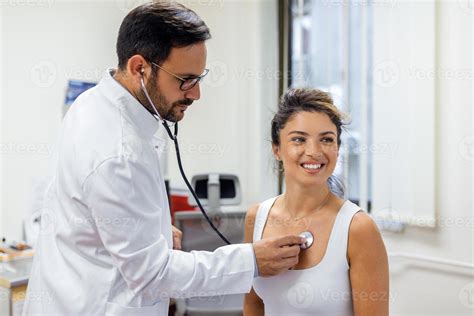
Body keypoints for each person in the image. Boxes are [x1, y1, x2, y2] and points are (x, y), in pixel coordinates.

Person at [23, 3, 305, 315]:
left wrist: (149, 228)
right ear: (139, 68)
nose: (196, 94)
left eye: (199, 78)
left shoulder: (91, 103)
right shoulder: (118, 150)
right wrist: (252, 261)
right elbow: (152, 275)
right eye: (185, 79)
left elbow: (90, 210)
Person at [243, 88, 389, 315]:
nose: (313, 152)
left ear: (338, 149)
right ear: (277, 149)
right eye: (299, 139)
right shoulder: (257, 217)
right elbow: (253, 304)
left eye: (326, 140)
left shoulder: (358, 228)